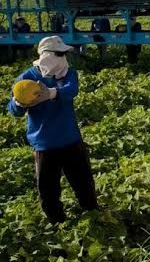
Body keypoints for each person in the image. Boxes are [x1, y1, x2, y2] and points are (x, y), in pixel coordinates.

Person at [7, 36, 97, 224]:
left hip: (70, 138)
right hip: (45, 143)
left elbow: (72, 90)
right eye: (59, 54)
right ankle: (57, 223)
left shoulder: (68, 74)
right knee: (48, 189)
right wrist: (19, 103)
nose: (63, 58)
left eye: (64, 54)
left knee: (83, 183)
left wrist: (51, 93)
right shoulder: (26, 79)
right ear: (46, 55)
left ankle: (93, 215)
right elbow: (14, 111)